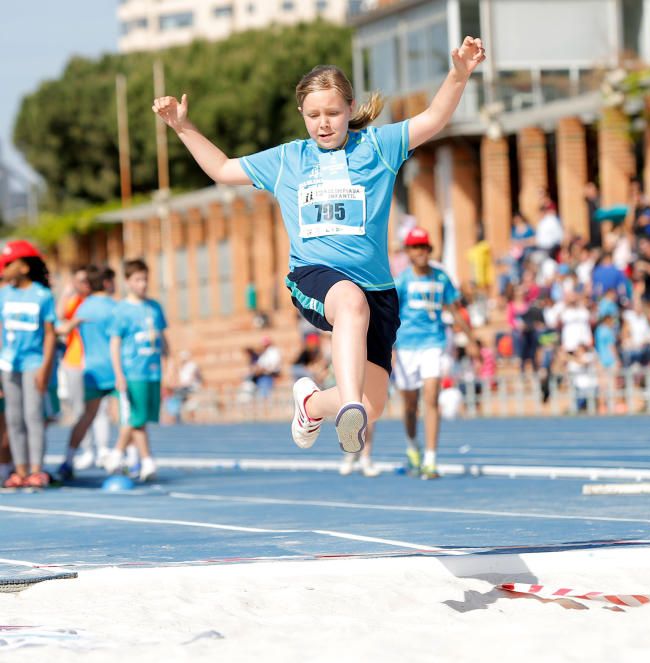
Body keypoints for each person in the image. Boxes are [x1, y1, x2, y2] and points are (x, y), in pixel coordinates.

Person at [152, 36, 486, 455]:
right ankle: (348, 406)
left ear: (349, 109)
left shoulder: (378, 148)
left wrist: (458, 73)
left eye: (332, 113)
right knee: (349, 306)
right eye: (313, 115)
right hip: (314, 276)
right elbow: (221, 168)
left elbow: (435, 118)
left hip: (378, 289)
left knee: (375, 402)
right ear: (301, 115)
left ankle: (312, 404)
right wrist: (183, 127)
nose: (323, 123)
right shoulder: (288, 159)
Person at [387, 227, 477, 480]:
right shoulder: (402, 281)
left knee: (431, 395)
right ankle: (412, 446)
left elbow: (454, 309)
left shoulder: (440, 278)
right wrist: (389, 348)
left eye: (424, 246)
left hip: (433, 344)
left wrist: (471, 340)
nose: (420, 252)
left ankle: (431, 459)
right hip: (406, 347)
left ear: (429, 249)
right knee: (410, 404)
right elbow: (391, 315)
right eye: (415, 247)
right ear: (408, 252)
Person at [103, 259, 169, 482]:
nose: (142, 284)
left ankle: (129, 456)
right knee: (135, 417)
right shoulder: (121, 310)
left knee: (143, 418)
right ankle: (132, 456)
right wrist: (119, 374)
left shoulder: (154, 307)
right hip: (133, 371)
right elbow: (115, 343)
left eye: (145, 279)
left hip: (153, 371)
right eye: (137, 280)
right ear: (128, 282)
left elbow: (163, 338)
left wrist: (169, 367)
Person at [0, 240, 57, 489]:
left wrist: (45, 368)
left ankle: (37, 470)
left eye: (9, 264)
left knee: (33, 416)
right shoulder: (3, 295)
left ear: (24, 267)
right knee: (13, 418)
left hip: (34, 363)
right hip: (8, 364)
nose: (4, 269)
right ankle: (19, 471)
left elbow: (50, 334)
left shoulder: (42, 295)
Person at [57, 265, 118, 480]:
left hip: (91, 369)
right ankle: (124, 457)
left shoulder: (84, 308)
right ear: (106, 283)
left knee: (86, 415)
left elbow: (62, 327)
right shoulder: (115, 307)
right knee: (129, 417)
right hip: (116, 370)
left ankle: (68, 459)